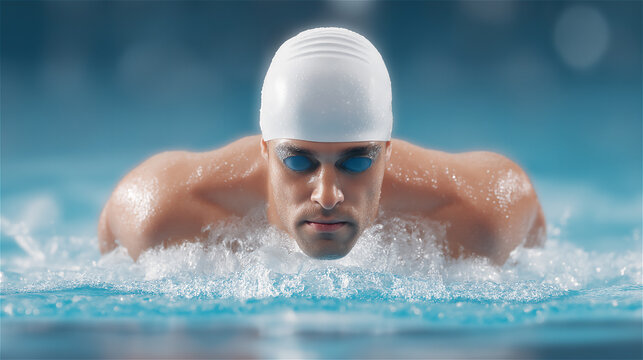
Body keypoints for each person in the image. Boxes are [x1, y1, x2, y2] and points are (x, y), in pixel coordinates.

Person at [98, 27, 546, 265]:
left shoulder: (477, 216)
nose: (327, 196)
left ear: (387, 153)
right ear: (264, 150)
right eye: (297, 160)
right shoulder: (164, 213)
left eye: (355, 162)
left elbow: (531, 232)